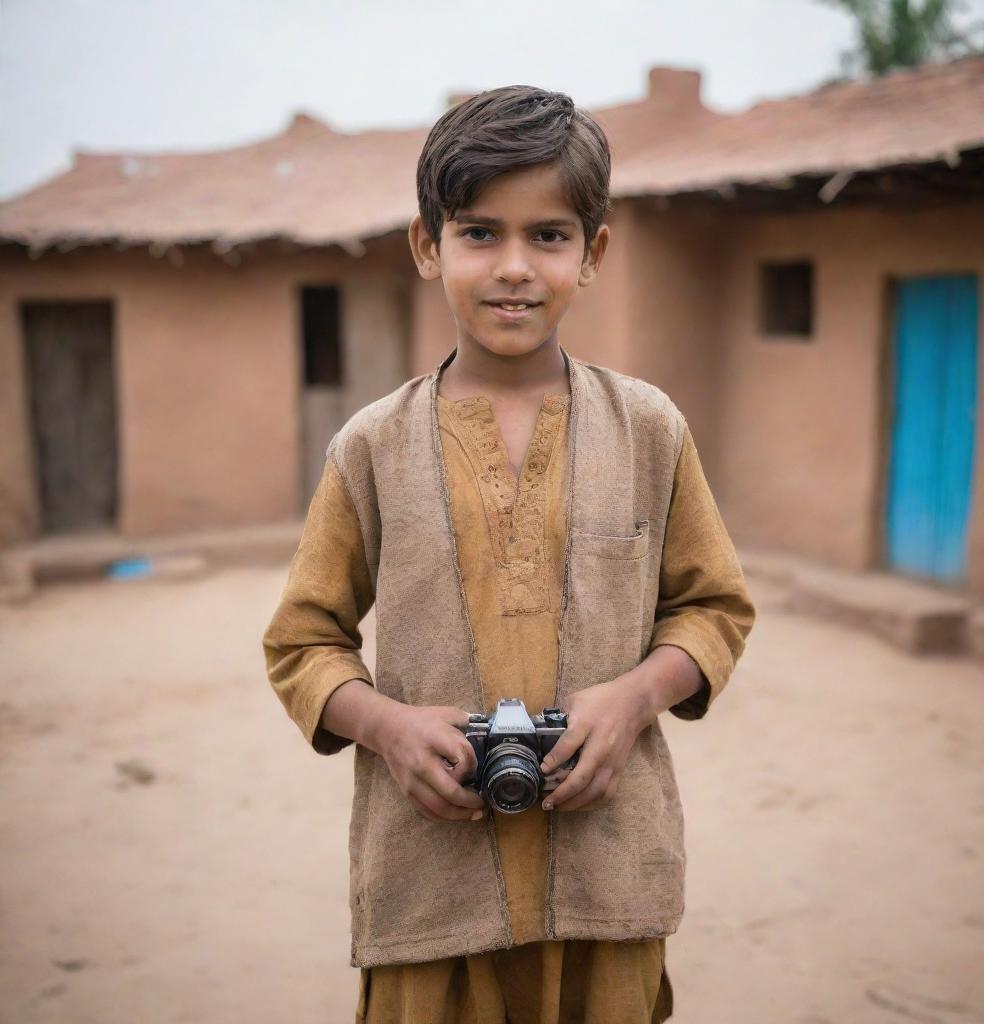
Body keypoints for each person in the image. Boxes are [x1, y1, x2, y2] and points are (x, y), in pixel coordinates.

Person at [263, 85, 756, 1024]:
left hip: (609, 889)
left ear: (595, 252)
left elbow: (715, 609)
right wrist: (387, 727)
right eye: (480, 233)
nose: (515, 268)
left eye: (551, 236)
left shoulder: (648, 429)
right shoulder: (371, 446)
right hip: (430, 891)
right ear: (426, 246)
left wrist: (636, 695)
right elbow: (303, 642)